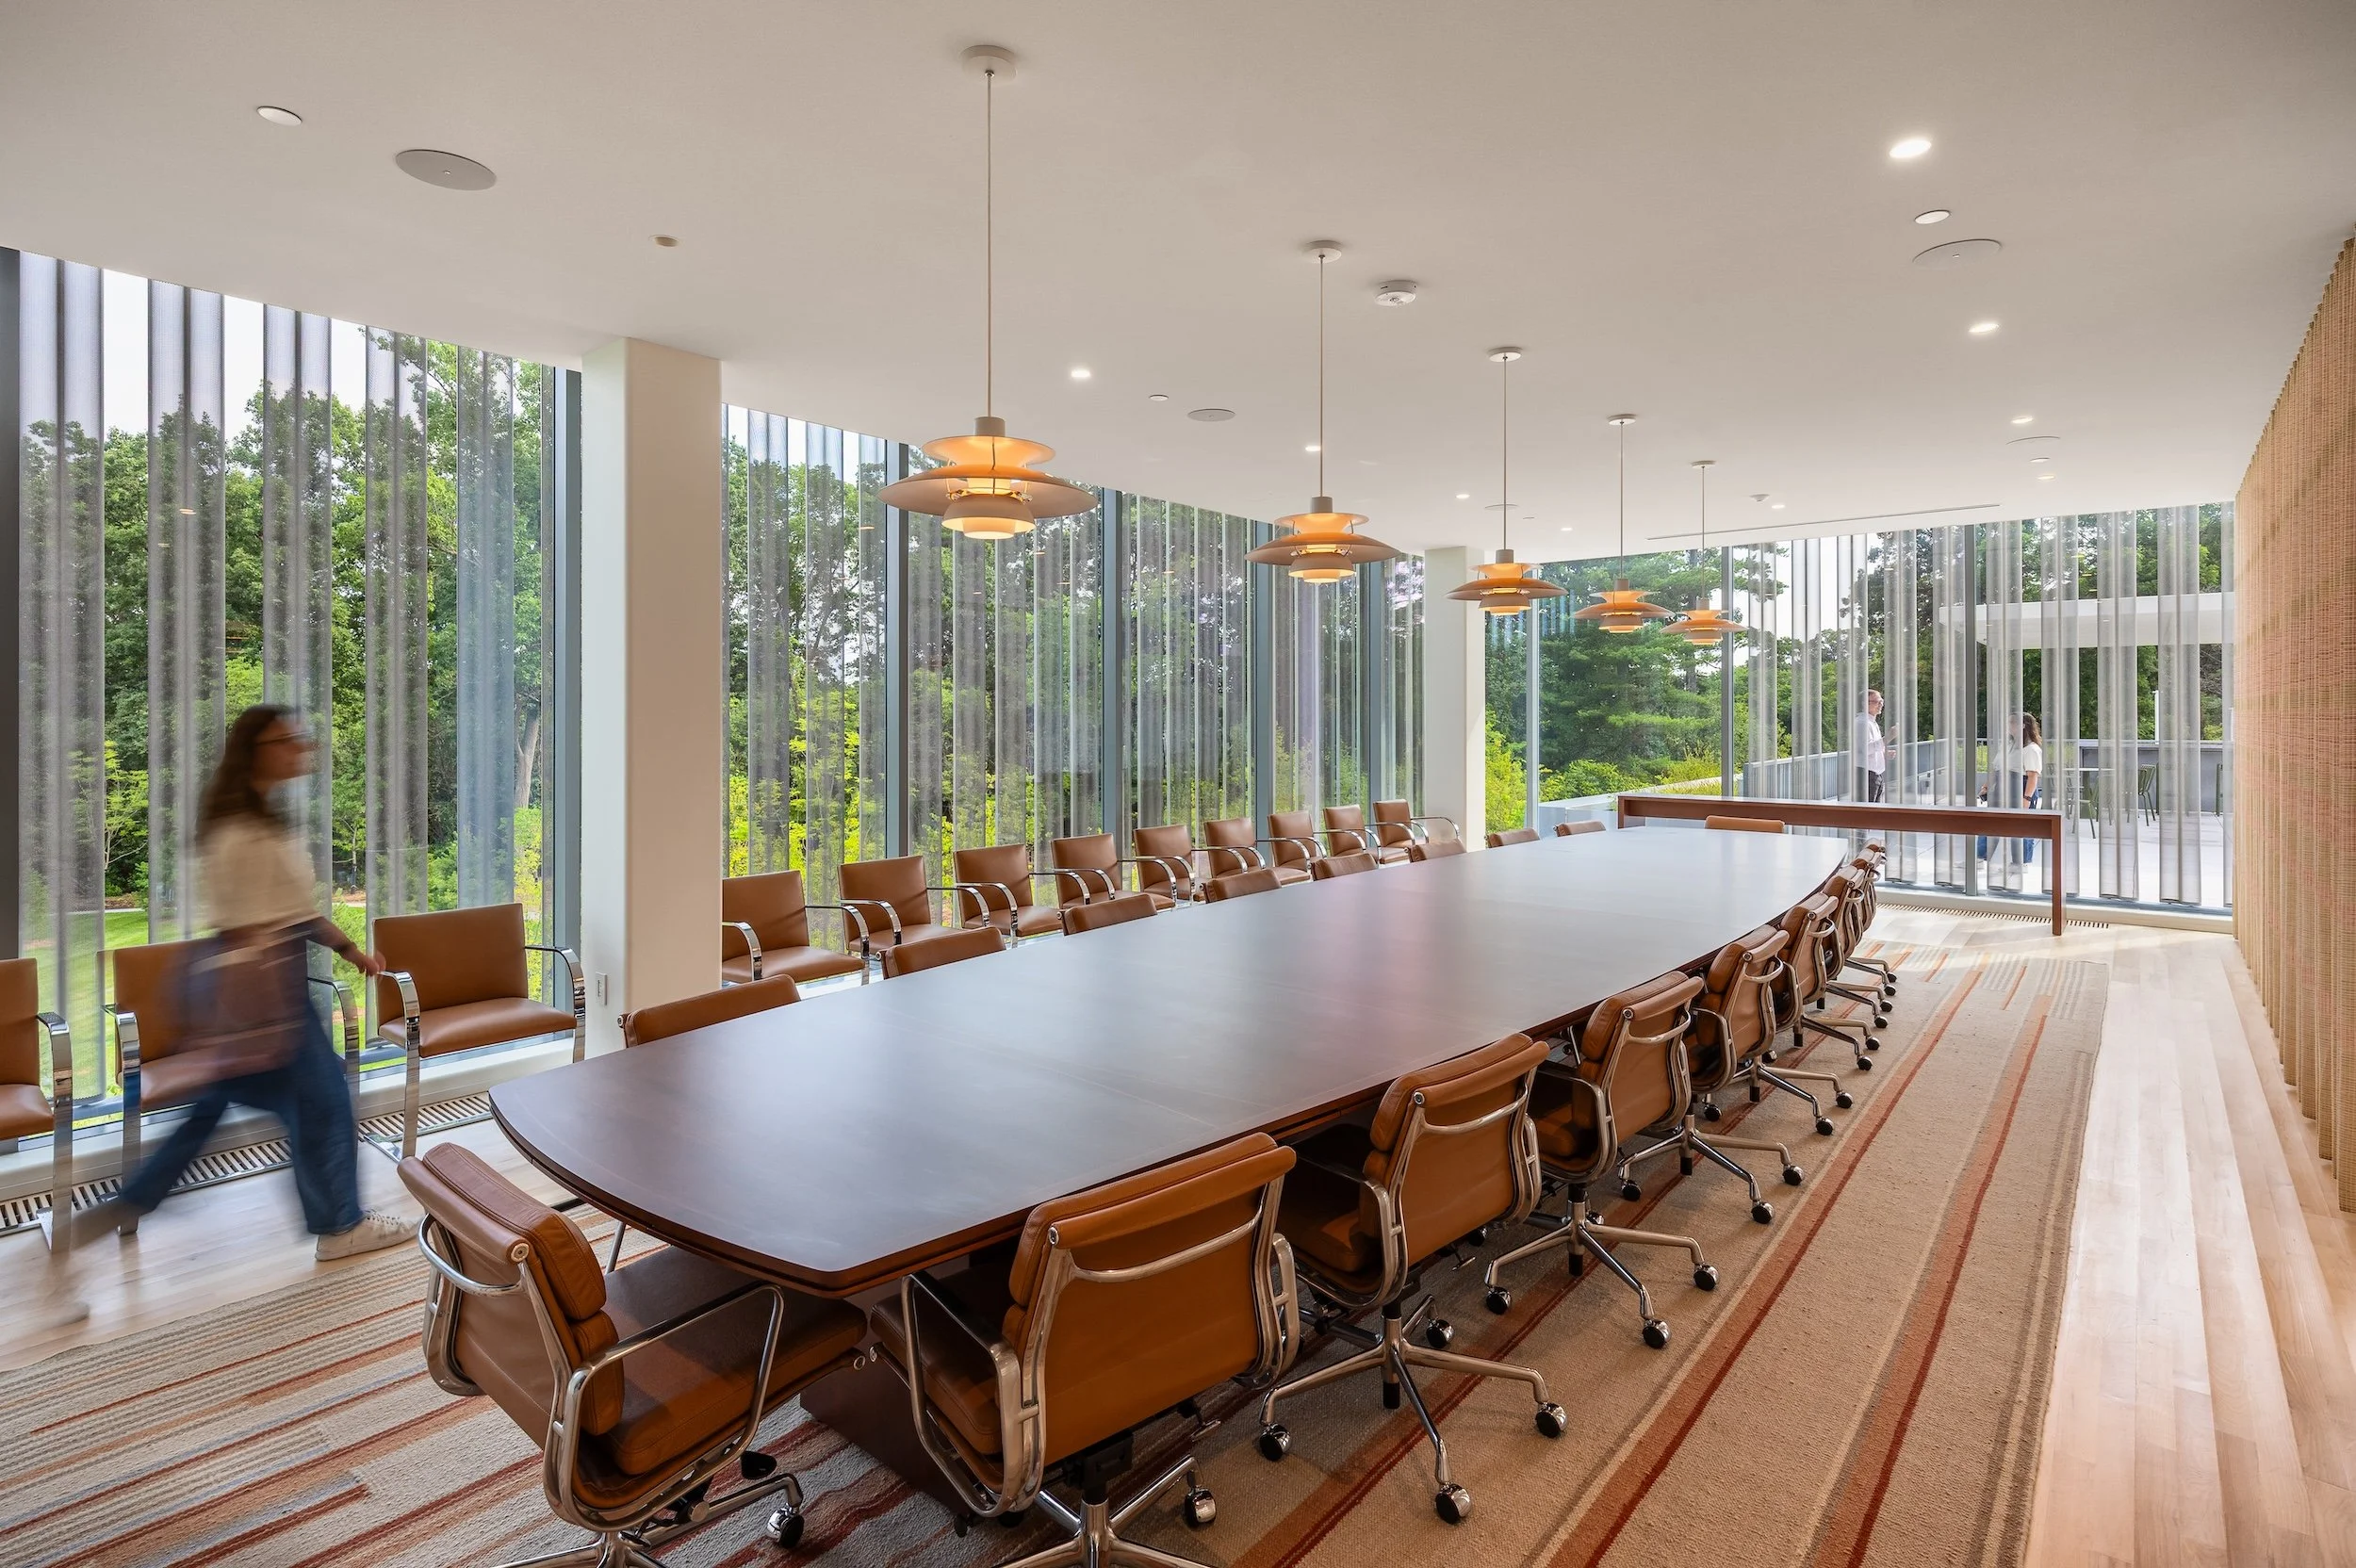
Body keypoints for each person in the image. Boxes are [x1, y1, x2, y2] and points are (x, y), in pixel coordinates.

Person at [54, 707, 409, 1315]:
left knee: (237, 1119)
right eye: (286, 739)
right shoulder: (246, 833)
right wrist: (338, 958)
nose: (300, 746)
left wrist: (350, 953)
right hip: (269, 997)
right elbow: (271, 925)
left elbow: (286, 913)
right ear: (255, 751)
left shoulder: (248, 820)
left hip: (251, 993)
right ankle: (339, 1225)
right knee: (323, 1106)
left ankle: (100, 1223)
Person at [1855, 689, 1887, 802]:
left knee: (1874, 813)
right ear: (1865, 703)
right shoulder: (1862, 722)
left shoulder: (1871, 722)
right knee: (1867, 813)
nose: (1881, 705)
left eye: (1881, 701)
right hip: (1868, 775)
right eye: (1878, 701)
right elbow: (1866, 749)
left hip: (1875, 774)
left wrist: (1883, 753)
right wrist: (1888, 737)